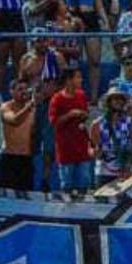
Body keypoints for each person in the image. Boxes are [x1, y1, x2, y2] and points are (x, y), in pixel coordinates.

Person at [48, 64, 92, 199]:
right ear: (68, 80)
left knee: (84, 181)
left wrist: (83, 115)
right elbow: (54, 122)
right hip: (65, 149)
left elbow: (86, 114)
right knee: (67, 183)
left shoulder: (81, 95)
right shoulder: (56, 99)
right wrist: (70, 115)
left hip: (81, 147)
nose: (81, 80)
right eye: (78, 77)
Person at [0, 78, 38, 197]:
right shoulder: (6, 107)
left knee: (26, 195)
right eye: (20, 89)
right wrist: (29, 106)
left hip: (25, 159)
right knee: (5, 196)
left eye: (26, 89)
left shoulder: (33, 110)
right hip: (9, 158)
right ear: (11, 91)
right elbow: (14, 120)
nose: (24, 92)